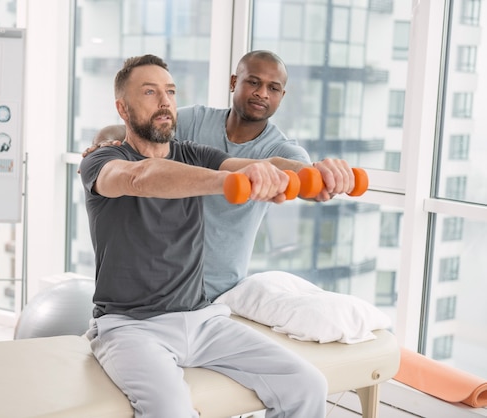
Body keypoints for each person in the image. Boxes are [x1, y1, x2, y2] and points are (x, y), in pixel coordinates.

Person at [79, 54, 327, 418]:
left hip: (202, 319)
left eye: (170, 91)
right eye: (149, 92)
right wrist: (226, 182)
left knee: (307, 385)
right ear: (123, 107)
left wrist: (315, 172)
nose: (164, 101)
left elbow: (270, 165)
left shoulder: (195, 154)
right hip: (130, 327)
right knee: (173, 411)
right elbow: (141, 178)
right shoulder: (101, 161)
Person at [87, 50, 355, 300]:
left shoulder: (279, 148)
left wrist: (321, 175)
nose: (262, 93)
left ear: (281, 96)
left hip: (219, 290)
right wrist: (103, 147)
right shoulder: (194, 121)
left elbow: (291, 172)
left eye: (273, 88)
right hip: (160, 283)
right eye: (253, 82)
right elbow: (138, 126)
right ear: (233, 82)